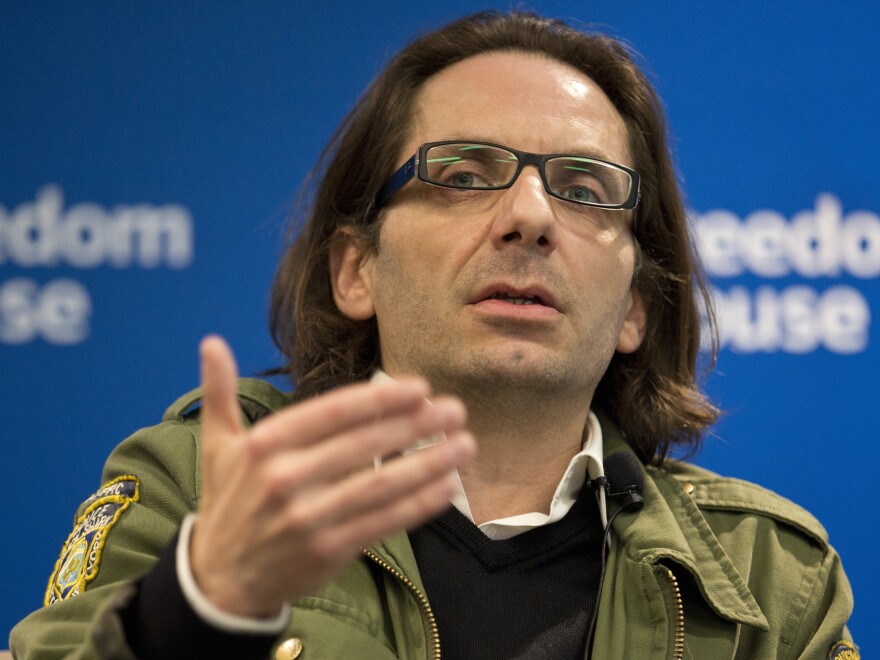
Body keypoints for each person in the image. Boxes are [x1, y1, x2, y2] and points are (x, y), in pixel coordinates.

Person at [11, 10, 856, 660]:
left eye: (586, 187)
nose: (528, 216)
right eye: (461, 175)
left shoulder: (767, 578)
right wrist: (197, 608)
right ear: (357, 270)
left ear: (637, 303)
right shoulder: (200, 487)